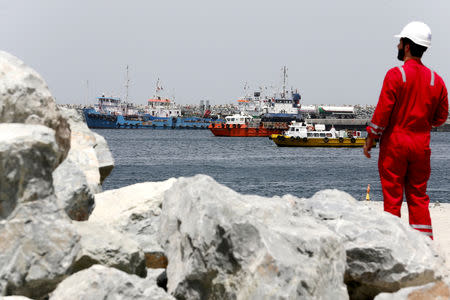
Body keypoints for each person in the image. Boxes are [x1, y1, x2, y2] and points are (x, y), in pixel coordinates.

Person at [364, 21, 448, 240]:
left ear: (407, 46)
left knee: (392, 198)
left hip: (395, 145)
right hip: (421, 147)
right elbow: (441, 118)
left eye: (400, 42)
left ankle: (393, 246)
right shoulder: (436, 81)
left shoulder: (395, 75)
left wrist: (370, 139)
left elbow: (381, 115)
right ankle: (425, 247)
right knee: (418, 198)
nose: (398, 47)